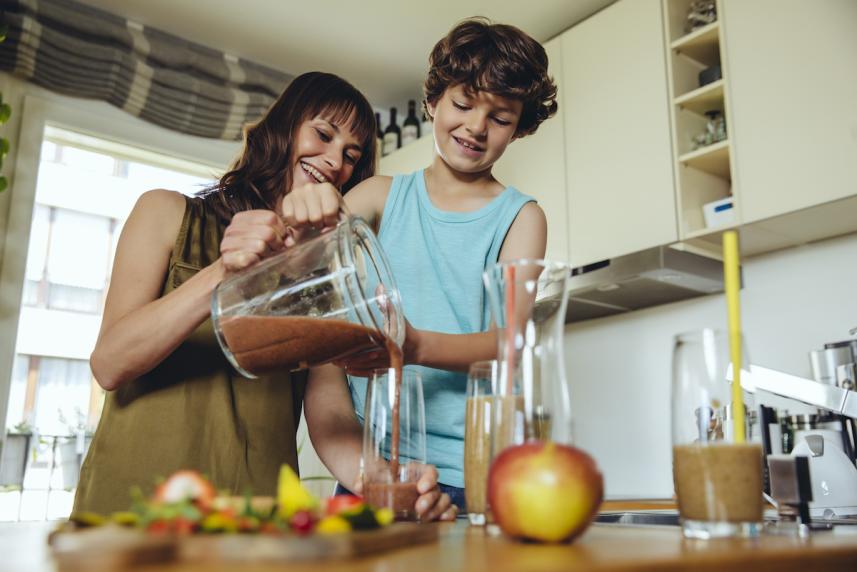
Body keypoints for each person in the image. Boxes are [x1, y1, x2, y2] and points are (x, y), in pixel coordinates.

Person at [73, 71, 454, 521]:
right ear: (283, 127)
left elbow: (330, 417)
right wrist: (225, 273)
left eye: (351, 155)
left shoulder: (323, 279)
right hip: (132, 515)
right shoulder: (166, 213)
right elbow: (110, 363)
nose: (335, 160)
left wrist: (386, 484)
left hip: (252, 529)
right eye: (323, 134)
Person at [288, 19, 558, 510]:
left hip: (469, 474)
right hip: (369, 470)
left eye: (500, 118)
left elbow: (510, 342)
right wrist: (309, 215)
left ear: (519, 129)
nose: (476, 126)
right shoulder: (377, 196)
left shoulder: (521, 218)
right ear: (433, 101)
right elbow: (311, 265)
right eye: (463, 103)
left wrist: (412, 345)